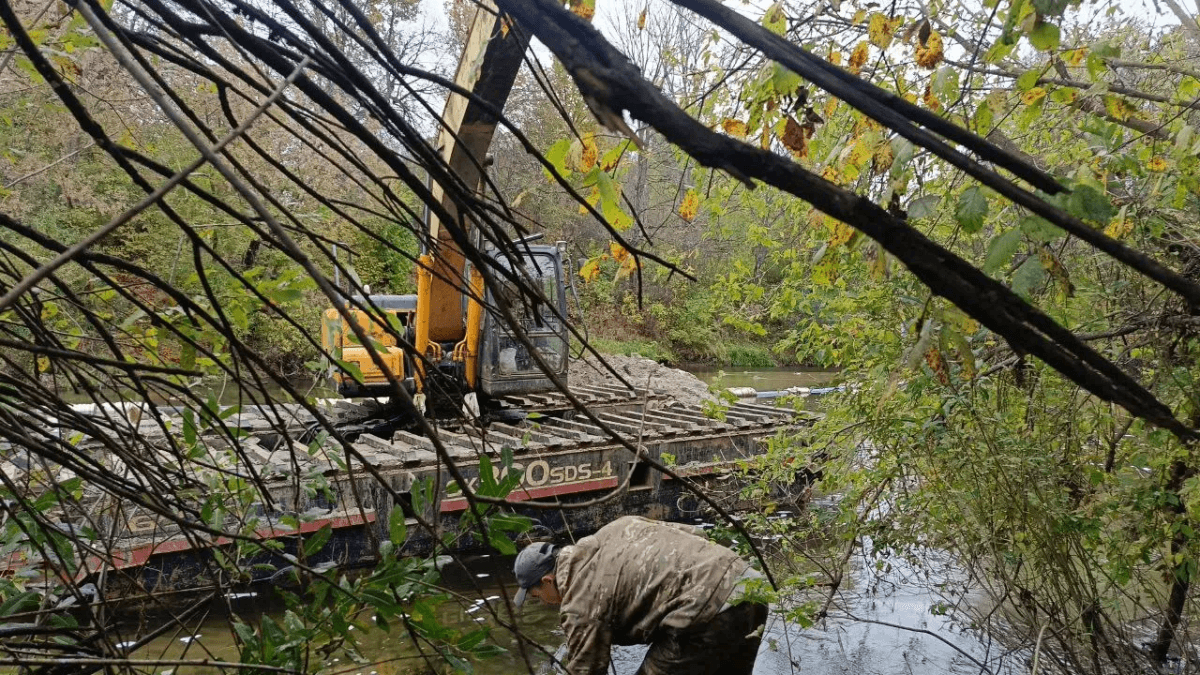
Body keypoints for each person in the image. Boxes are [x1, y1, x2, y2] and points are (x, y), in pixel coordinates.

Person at [512, 515, 768, 675]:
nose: (543, 603)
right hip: (749, 584)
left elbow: (585, 670)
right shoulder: (621, 525)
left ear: (548, 580)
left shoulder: (579, 602)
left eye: (537, 596)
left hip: (705, 611)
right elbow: (697, 534)